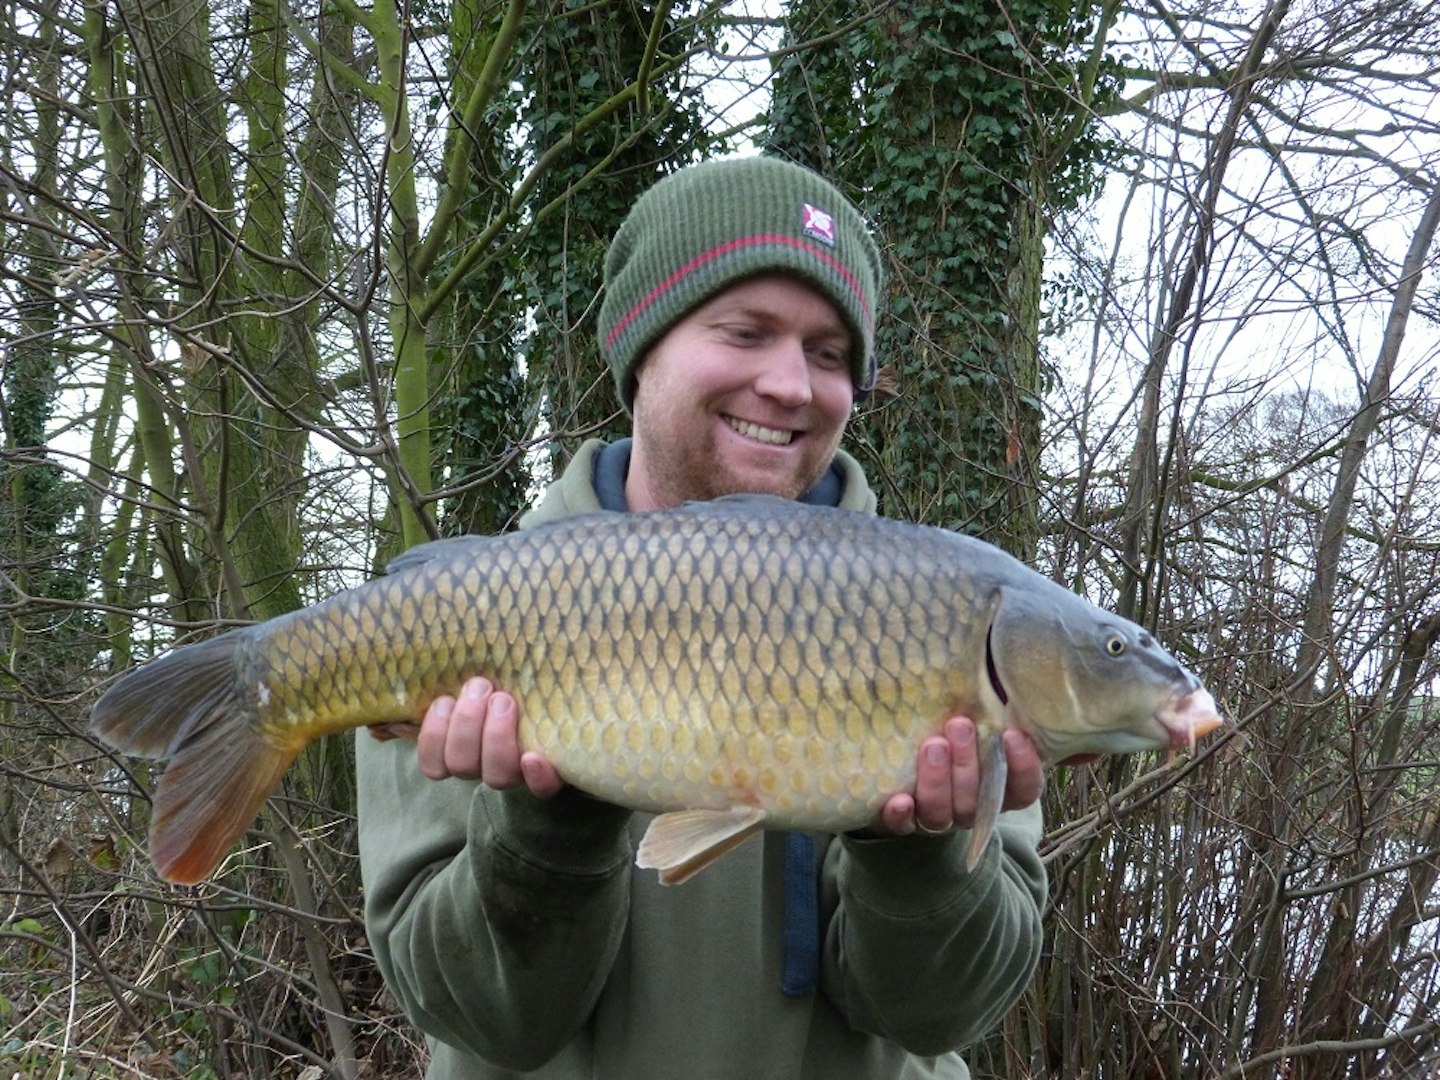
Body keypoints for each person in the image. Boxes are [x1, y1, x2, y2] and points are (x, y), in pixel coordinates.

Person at [356, 155, 1047, 1080]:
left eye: (829, 353)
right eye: (745, 331)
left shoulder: (945, 616)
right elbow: (486, 1021)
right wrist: (545, 826)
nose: (792, 384)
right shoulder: (465, 619)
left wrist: (916, 856)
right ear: (641, 351)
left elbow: (941, 1016)